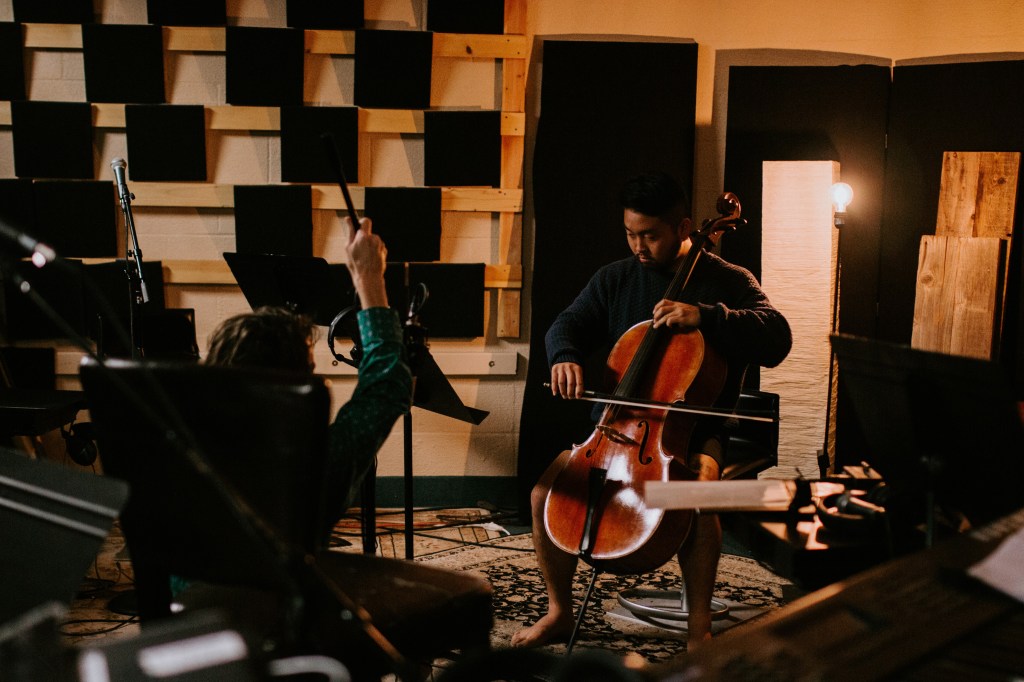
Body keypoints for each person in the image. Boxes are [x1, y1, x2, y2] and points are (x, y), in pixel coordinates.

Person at [512, 172, 792, 648]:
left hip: (696, 430)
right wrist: (564, 357)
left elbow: (776, 335)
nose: (638, 246)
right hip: (615, 429)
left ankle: (698, 630)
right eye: (630, 233)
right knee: (545, 494)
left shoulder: (729, 280)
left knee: (698, 504)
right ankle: (559, 610)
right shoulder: (616, 278)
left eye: (650, 235)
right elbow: (567, 324)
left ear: (684, 227)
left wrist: (707, 315)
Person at [205, 216, 412, 534]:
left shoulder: (182, 450)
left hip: (194, 585)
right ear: (296, 387)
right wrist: (369, 277)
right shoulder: (323, 460)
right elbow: (386, 382)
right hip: (286, 584)